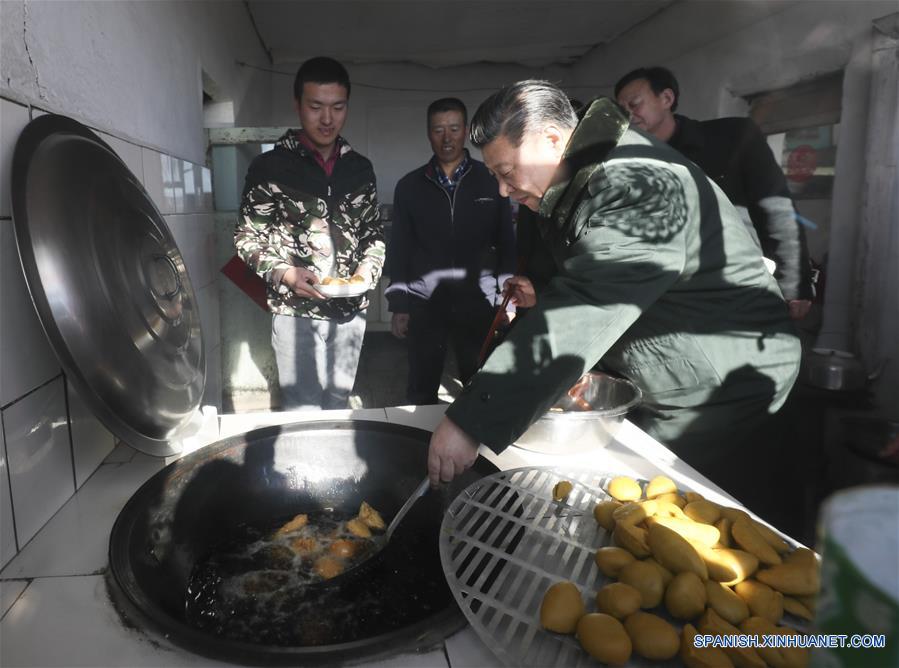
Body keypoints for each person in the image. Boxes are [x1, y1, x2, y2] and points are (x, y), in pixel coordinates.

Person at [426, 81, 801, 517]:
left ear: (552, 140)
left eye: (507, 172)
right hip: (675, 361)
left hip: (725, 381)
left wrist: (471, 420)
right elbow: (595, 272)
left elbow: (588, 304)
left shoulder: (637, 185)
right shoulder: (581, 175)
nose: (503, 191)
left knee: (675, 516)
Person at [235, 56, 384, 410]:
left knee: (338, 404)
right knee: (302, 410)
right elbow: (246, 238)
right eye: (316, 107)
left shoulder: (360, 169)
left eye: (338, 107)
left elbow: (373, 234)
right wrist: (285, 273)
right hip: (294, 311)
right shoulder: (270, 167)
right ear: (298, 104)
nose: (327, 119)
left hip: (350, 311)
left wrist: (368, 270)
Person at [614, 66, 814, 320]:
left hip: (739, 284)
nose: (628, 114)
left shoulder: (732, 137)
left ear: (666, 98)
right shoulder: (627, 160)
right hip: (668, 294)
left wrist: (793, 285)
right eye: (621, 109)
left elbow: (777, 210)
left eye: (634, 104)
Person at [385, 97, 515, 405]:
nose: (447, 138)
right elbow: (399, 247)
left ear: (466, 131)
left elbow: (507, 241)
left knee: (481, 387)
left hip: (479, 300)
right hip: (425, 302)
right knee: (421, 387)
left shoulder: (490, 180)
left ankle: (479, 435)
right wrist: (399, 305)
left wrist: (506, 299)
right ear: (428, 133)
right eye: (438, 130)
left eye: (454, 129)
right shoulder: (409, 186)